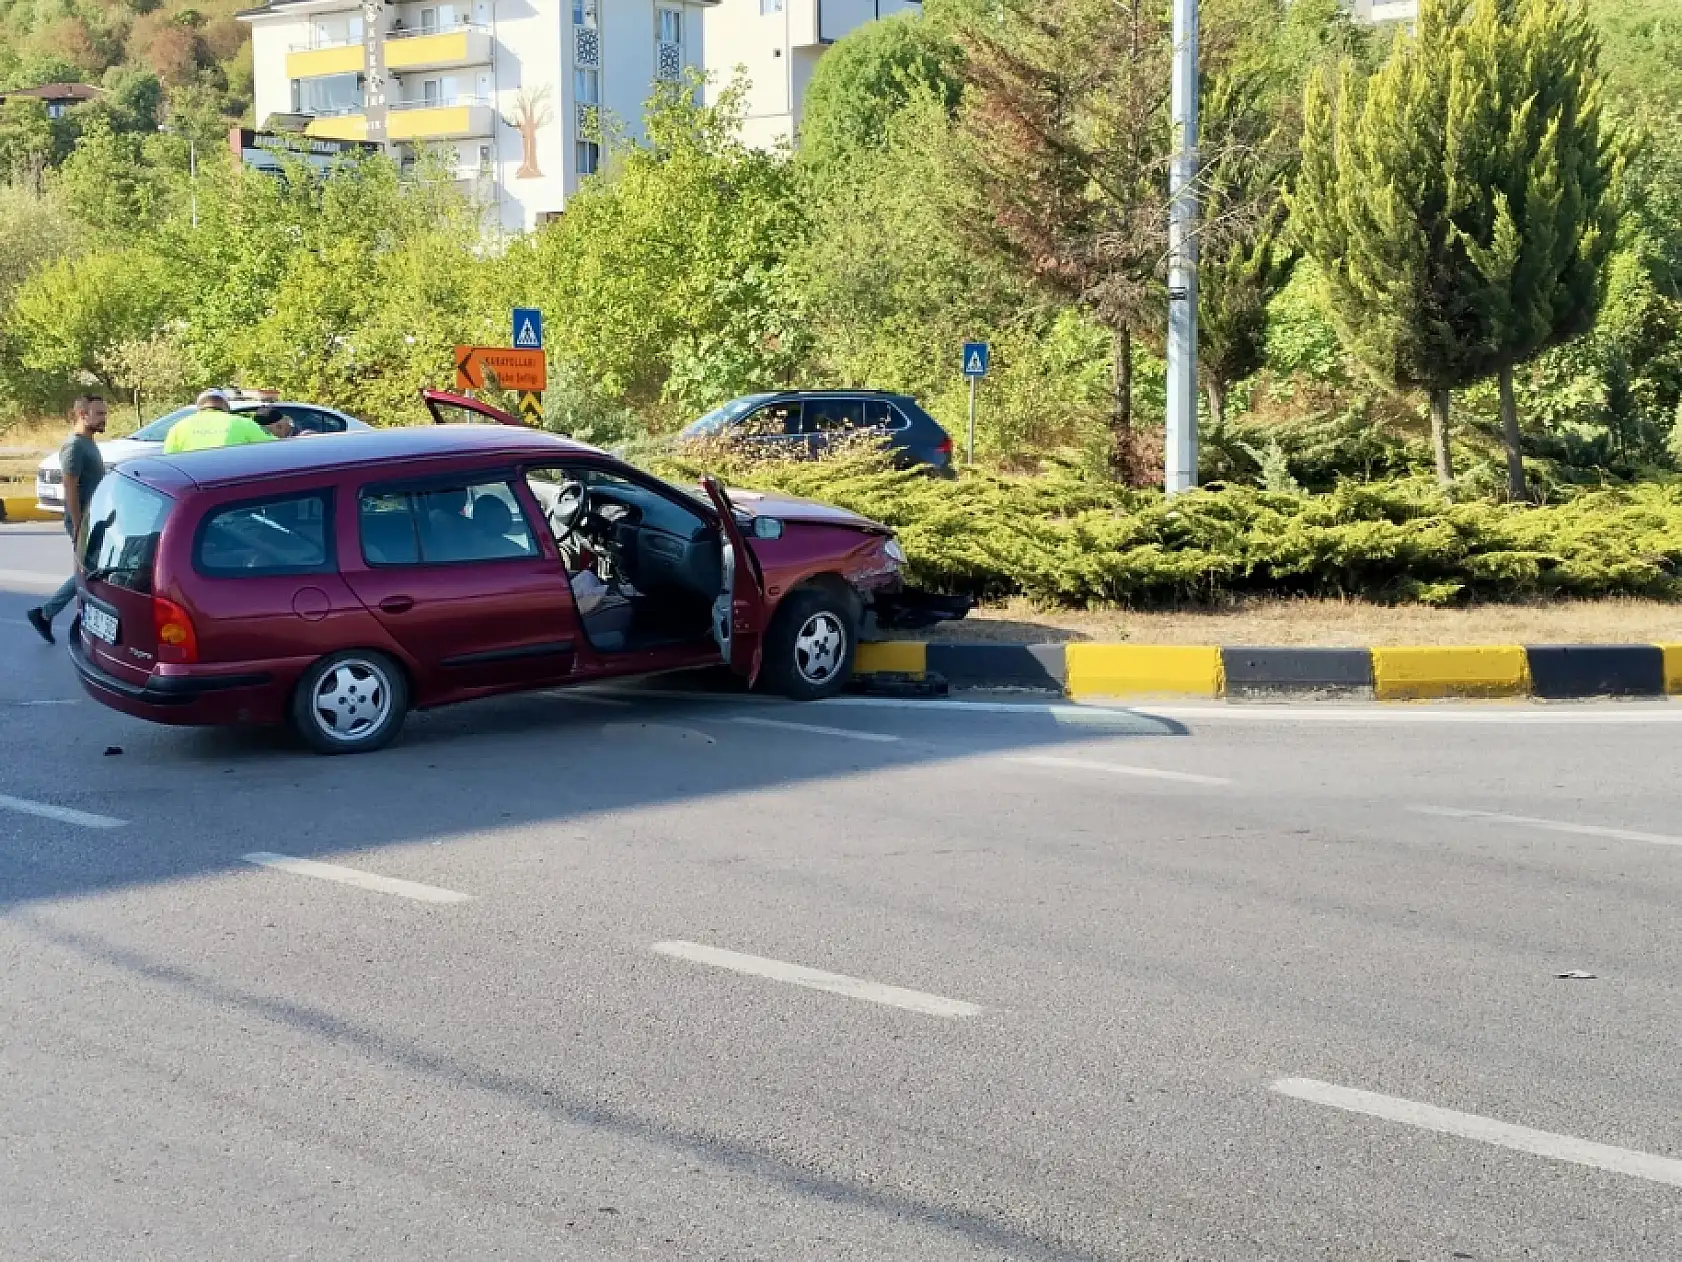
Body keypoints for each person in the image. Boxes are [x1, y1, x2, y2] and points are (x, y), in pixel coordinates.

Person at [26, 394, 108, 644]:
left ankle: (53, 614)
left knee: (91, 571)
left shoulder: (88, 442)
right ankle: (46, 613)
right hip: (82, 520)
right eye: (100, 414)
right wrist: (78, 523)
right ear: (83, 415)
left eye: (105, 413)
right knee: (89, 571)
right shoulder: (74, 446)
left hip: (92, 519)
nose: (105, 418)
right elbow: (69, 487)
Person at [162, 390, 276, 454]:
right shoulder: (243, 423)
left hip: (194, 488)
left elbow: (168, 462)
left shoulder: (178, 428)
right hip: (229, 483)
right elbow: (275, 448)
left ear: (199, 406)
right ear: (226, 406)